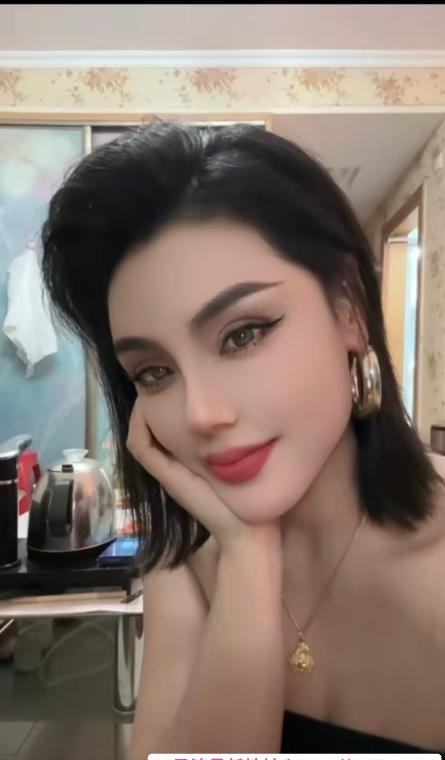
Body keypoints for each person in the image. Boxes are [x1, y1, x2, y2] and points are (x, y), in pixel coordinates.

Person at [41, 122, 445, 757]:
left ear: (348, 308)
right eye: (154, 372)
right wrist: (247, 562)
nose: (200, 414)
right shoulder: (186, 561)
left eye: (243, 334)